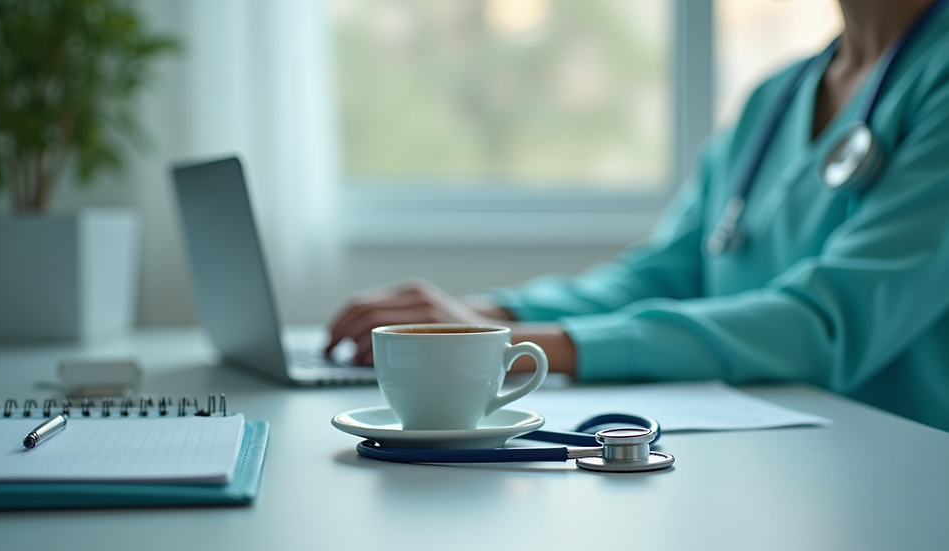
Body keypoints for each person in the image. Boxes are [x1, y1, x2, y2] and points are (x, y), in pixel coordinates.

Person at [327, 0, 949, 432]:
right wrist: (486, 316)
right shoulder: (777, 96)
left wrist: (512, 349)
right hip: (774, 461)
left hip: (899, 478)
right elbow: (660, 275)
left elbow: (829, 321)